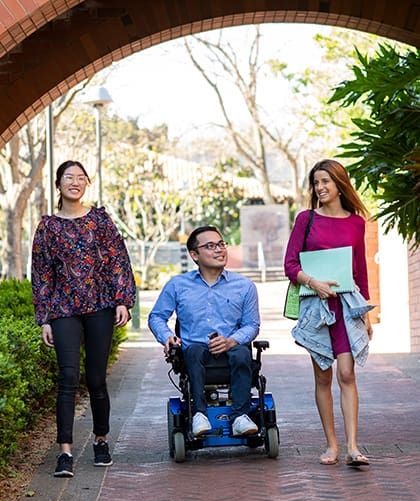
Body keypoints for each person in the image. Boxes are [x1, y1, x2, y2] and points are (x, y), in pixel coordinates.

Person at [31, 160, 136, 478]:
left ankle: (101, 441)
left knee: (96, 379)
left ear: (87, 183)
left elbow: (118, 258)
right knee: (67, 378)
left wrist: (123, 300)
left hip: (101, 306)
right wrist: (45, 317)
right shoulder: (48, 226)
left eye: (80, 178)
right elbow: (41, 274)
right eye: (68, 177)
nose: (74, 182)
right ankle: (64, 452)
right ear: (58, 184)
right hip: (63, 309)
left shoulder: (100, 220)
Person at [284, 159, 374, 467]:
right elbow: (290, 265)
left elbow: (360, 270)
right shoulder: (305, 219)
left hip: (347, 306)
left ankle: (352, 446)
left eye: (325, 181)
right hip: (317, 306)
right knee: (323, 375)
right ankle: (331, 445)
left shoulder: (357, 223)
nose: (320, 188)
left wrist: (367, 311)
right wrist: (314, 283)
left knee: (347, 374)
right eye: (316, 183)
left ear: (340, 184)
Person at [148, 225, 260, 437]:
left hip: (233, 350)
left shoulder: (244, 286)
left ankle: (240, 417)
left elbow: (252, 325)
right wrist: (167, 337)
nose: (219, 250)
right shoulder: (178, 285)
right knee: (194, 351)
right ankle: (199, 414)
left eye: (221, 244)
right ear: (194, 255)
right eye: (210, 246)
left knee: (242, 352)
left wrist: (231, 341)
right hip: (195, 353)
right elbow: (156, 317)